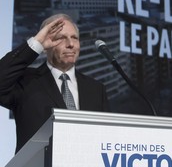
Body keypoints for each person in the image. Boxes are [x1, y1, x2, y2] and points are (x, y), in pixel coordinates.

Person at [0, 13, 109, 153]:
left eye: (74, 38)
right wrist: (37, 42)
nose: (70, 44)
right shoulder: (25, 81)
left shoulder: (96, 89)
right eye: (61, 38)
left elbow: (106, 137)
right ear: (47, 43)